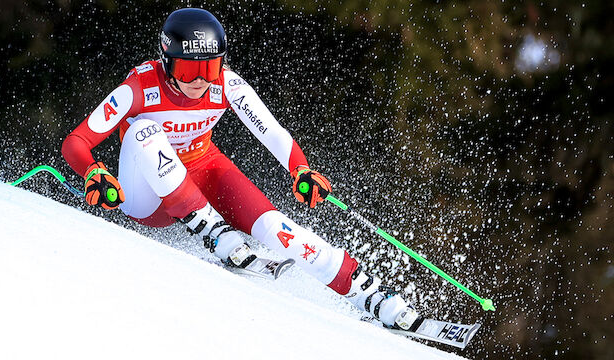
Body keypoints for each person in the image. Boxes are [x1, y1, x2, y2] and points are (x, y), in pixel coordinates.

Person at [61, 8, 422, 331]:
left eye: (210, 68)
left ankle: (374, 297)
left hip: (203, 172)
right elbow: (75, 142)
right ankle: (214, 232)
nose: (200, 81)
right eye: (188, 70)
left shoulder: (225, 86)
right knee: (143, 130)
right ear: (167, 62)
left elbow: (272, 132)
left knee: (280, 228)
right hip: (148, 197)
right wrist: (94, 172)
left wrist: (300, 170)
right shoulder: (141, 87)